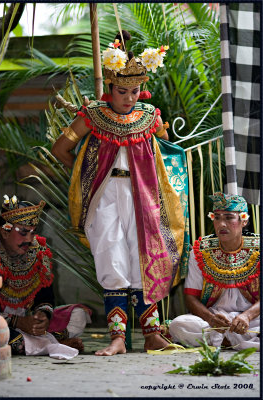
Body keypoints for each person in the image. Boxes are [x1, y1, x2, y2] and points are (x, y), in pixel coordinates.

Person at [51, 30, 189, 356]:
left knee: (144, 260)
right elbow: (61, 149)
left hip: (144, 196)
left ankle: (153, 333)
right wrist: (85, 175)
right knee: (112, 260)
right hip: (105, 195)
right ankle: (117, 338)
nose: (129, 97)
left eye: (135, 90)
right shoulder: (92, 116)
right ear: (110, 88)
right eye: (122, 91)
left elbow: (166, 151)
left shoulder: (150, 116)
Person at [0, 195, 92, 359]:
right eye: (23, 232)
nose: (29, 239)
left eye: (33, 233)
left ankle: (42, 342)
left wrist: (42, 316)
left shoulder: (38, 252)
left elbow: (46, 296)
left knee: (78, 314)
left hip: (27, 321)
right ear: (5, 231)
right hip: (2, 322)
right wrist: (18, 322)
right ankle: (53, 345)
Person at [169, 192, 260, 351]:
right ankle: (235, 340)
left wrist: (247, 316)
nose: (221, 224)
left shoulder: (258, 249)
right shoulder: (201, 251)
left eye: (229, 217)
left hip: (254, 319)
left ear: (244, 220)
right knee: (178, 325)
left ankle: (223, 341)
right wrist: (211, 319)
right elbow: (191, 298)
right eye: (217, 217)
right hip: (215, 320)